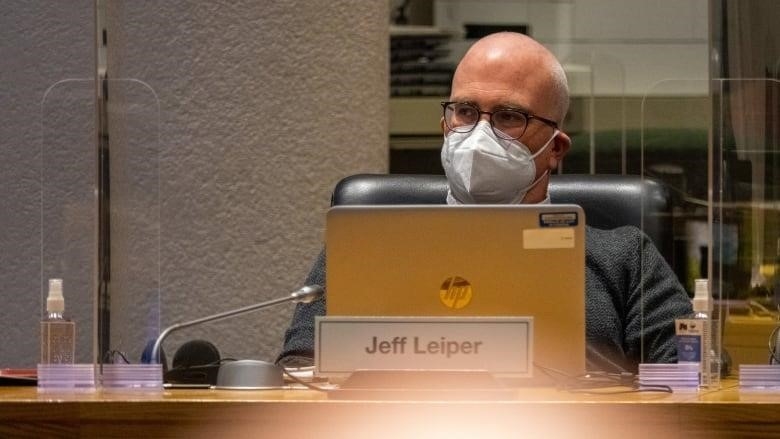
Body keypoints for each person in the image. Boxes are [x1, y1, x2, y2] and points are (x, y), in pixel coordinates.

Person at [277, 32, 692, 373]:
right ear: (445, 125)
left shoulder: (624, 256)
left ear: (556, 148)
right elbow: (298, 372)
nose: (479, 134)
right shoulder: (365, 245)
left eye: (510, 116)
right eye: (465, 111)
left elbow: (692, 375)